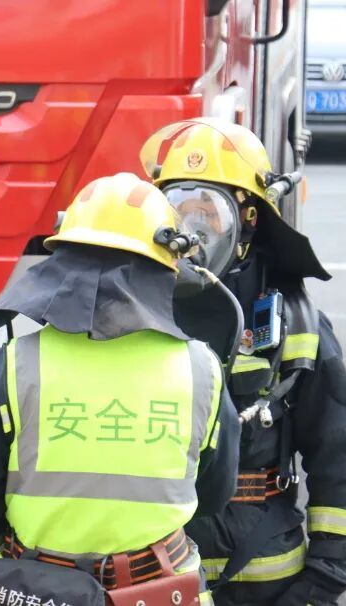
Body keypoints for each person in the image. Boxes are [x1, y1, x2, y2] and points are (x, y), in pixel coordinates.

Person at [0, 172, 241, 606]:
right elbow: (214, 492)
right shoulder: (201, 369)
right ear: (167, 269)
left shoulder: (14, 365)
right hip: (160, 589)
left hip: (35, 588)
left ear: (62, 262)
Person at [141, 119, 346, 606]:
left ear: (248, 220)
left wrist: (325, 576)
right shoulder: (132, 311)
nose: (192, 232)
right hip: (153, 576)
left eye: (209, 212)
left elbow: (337, 455)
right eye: (180, 210)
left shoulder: (296, 325)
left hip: (266, 579)